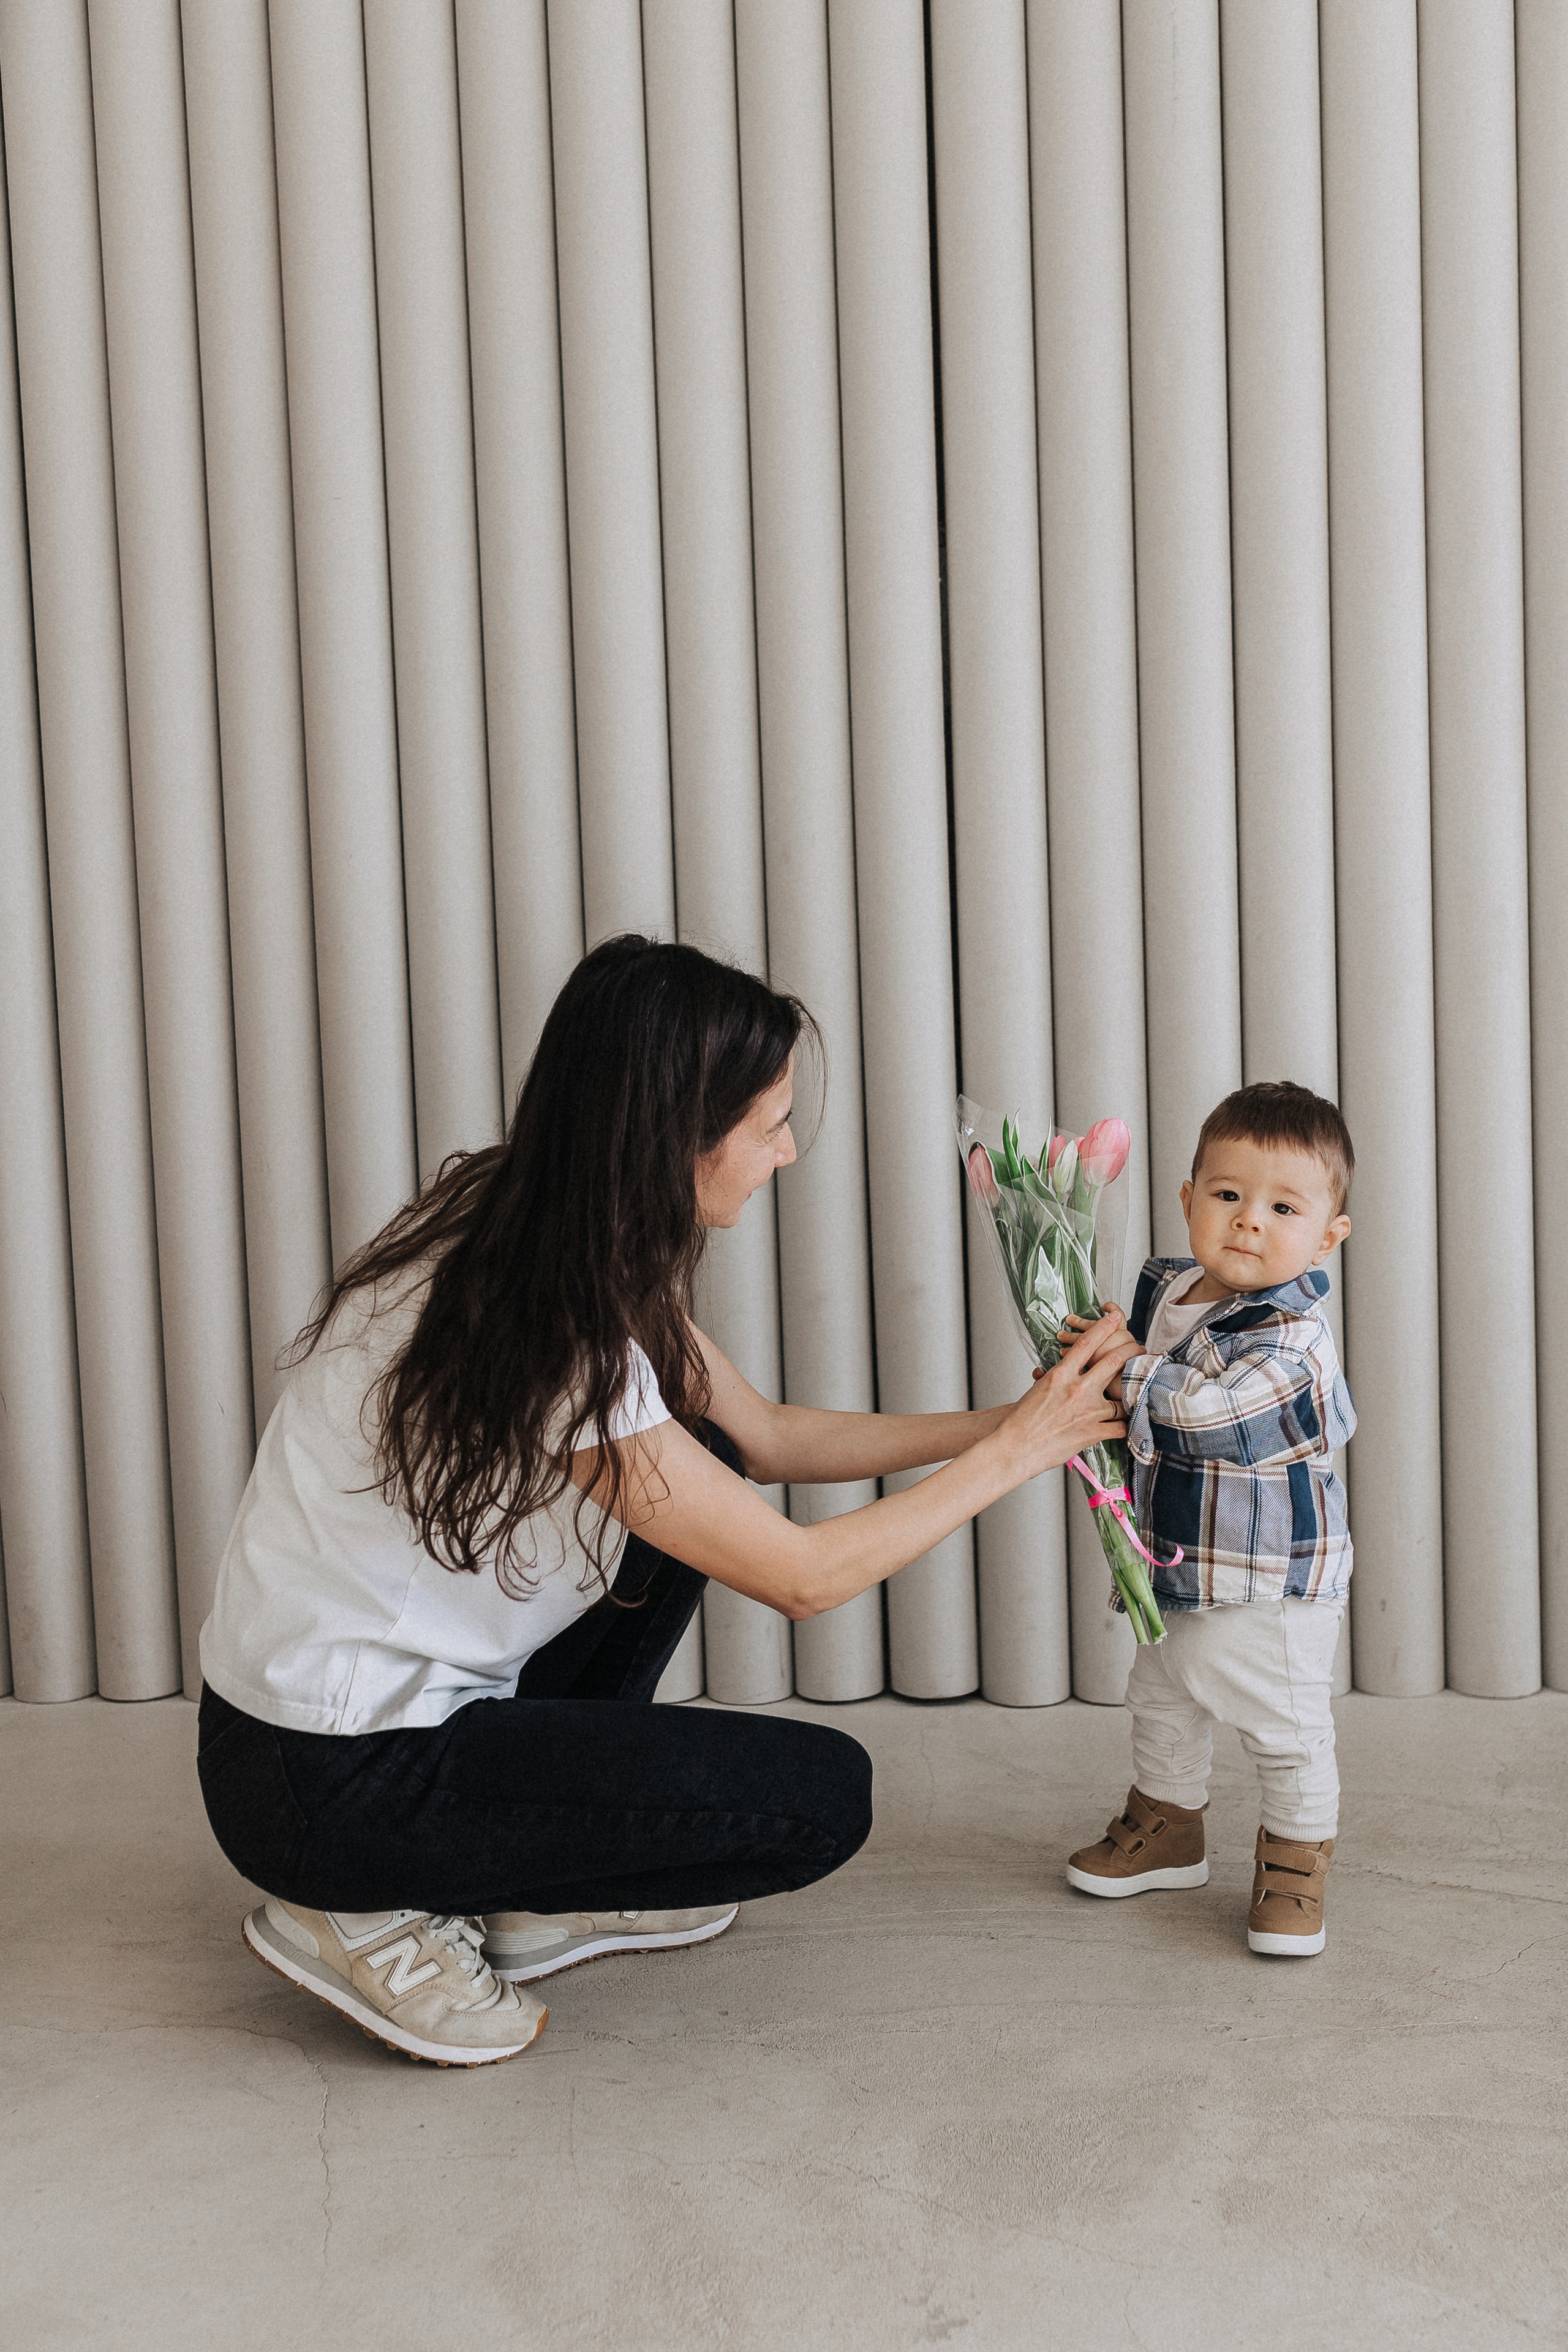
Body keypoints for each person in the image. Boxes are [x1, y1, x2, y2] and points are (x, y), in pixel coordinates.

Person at [198, 935, 1137, 2067]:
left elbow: (770, 1438)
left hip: (349, 1727)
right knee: (820, 1799)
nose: (787, 1152)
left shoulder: (547, 1222)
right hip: (323, 1779)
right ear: (675, 1138)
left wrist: (1025, 1415)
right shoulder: (556, 1325)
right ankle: (354, 1906)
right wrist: (1021, 1456)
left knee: (705, 1460)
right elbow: (802, 1578)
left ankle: (522, 1884)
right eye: (770, 1125)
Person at [1064, 1081, 1356, 1957]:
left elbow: (1217, 1418)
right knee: (1159, 1700)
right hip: (1175, 1563)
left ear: (1327, 1234)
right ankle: (1169, 1825)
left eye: (1284, 1207)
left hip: (1270, 1586)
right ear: (1189, 1200)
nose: (1249, 1222)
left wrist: (1125, 1371)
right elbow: (1140, 1367)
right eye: (1227, 1196)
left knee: (1285, 1729)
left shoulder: (1295, 1338)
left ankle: (1297, 1862)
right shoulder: (1168, 1290)